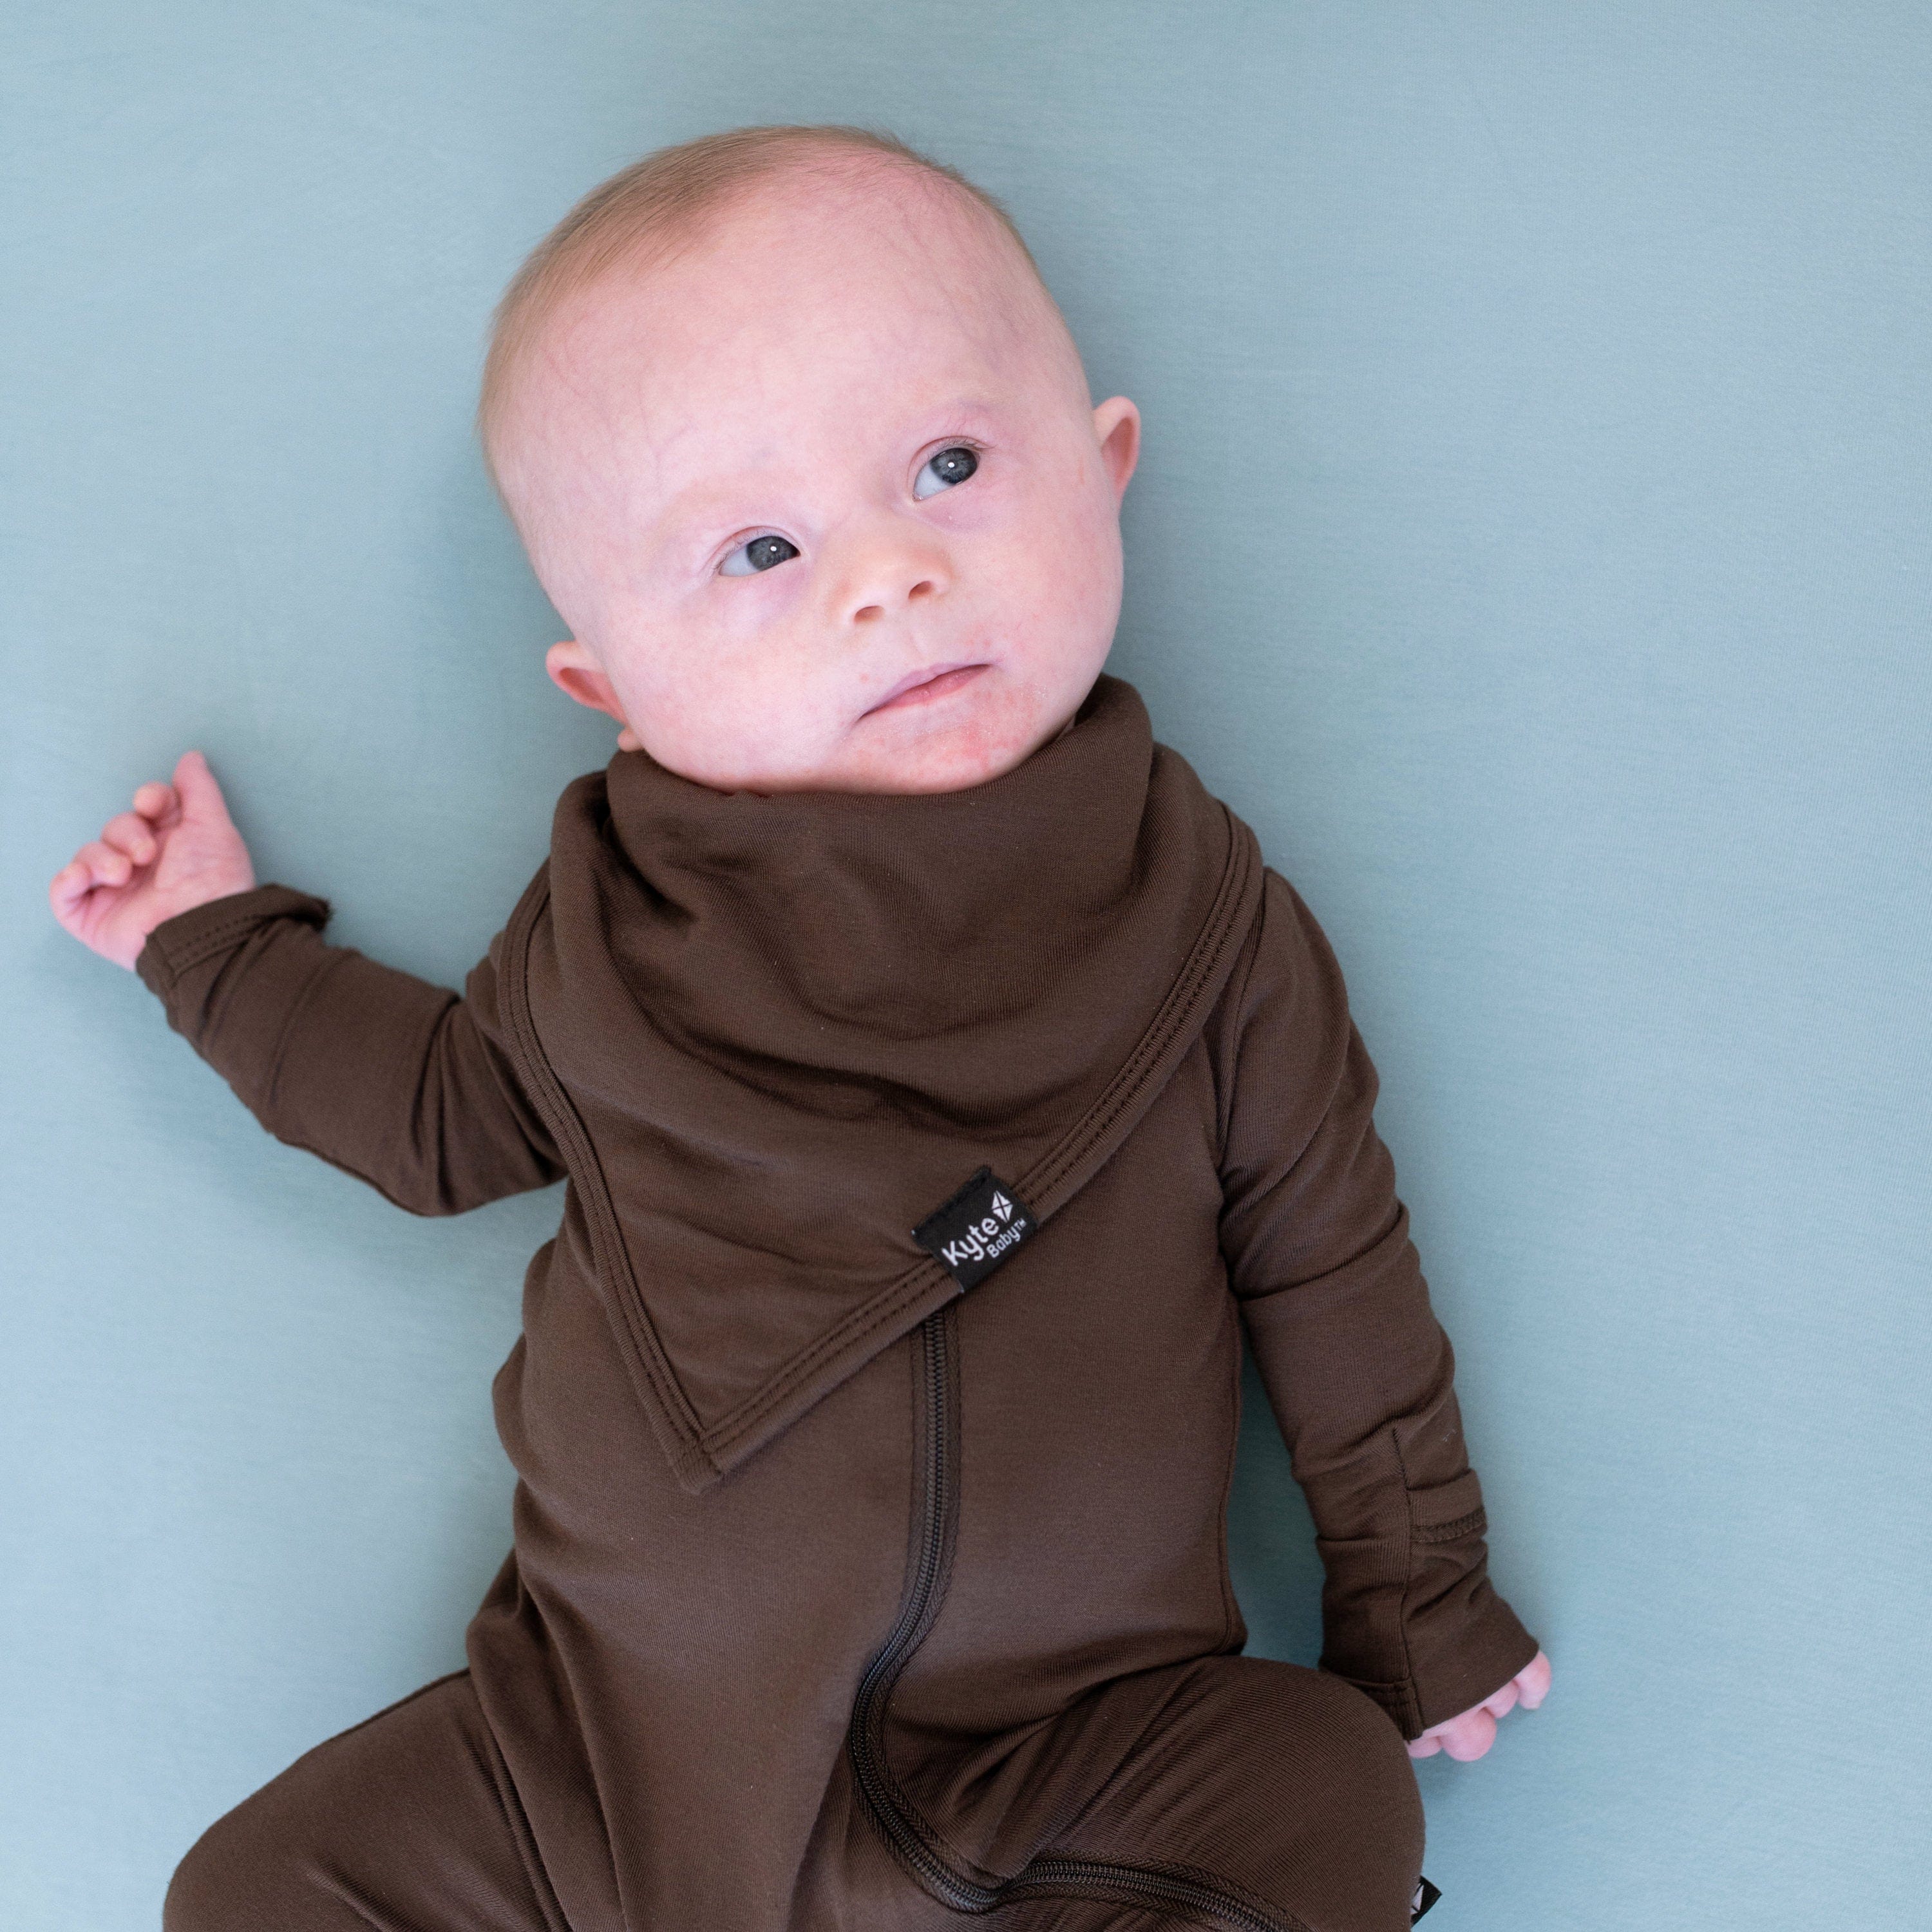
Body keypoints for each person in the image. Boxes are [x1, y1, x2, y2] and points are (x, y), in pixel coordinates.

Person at [50, 124, 1550, 1932]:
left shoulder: (1211, 927)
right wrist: (215, 947)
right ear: (616, 690)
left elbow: (1335, 1270)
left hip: (1055, 1773)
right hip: (603, 1768)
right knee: (256, 1893)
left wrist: (1418, 1595)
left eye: (950, 463)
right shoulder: (607, 947)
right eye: (760, 547)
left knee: (1321, 1790)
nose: (886, 573)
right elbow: (440, 1114)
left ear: (1106, 466)